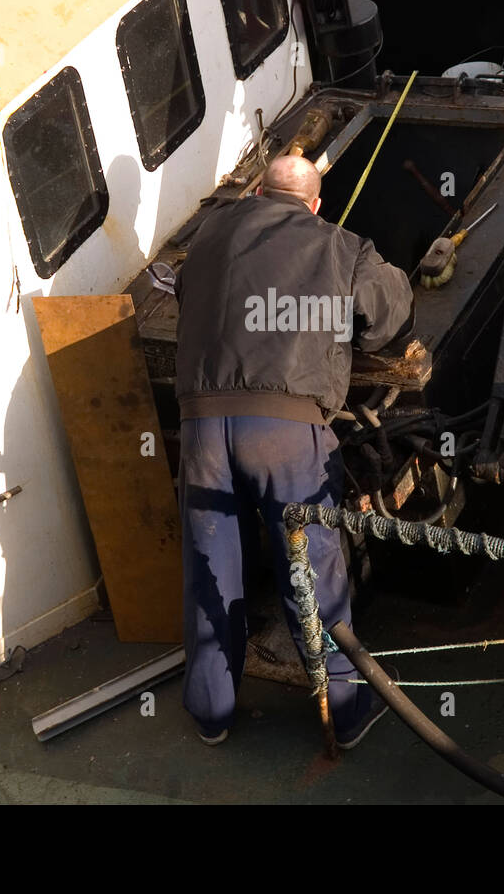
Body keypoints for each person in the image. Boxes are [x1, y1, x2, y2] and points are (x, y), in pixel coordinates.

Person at [174, 154, 413, 748]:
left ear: (257, 191)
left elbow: (186, 297)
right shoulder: (341, 244)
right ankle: (348, 712)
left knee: (212, 571)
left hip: (202, 429)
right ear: (315, 204)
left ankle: (212, 714)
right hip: (284, 432)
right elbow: (384, 316)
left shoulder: (206, 236)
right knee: (311, 574)